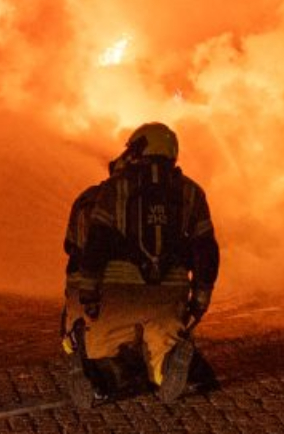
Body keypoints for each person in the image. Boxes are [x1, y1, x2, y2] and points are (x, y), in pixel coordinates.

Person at [59, 121, 219, 407]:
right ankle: (168, 366)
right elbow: (206, 250)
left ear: (139, 149)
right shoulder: (192, 192)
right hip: (168, 296)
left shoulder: (113, 189)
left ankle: (103, 373)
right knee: (163, 346)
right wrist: (200, 299)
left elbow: (95, 244)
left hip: (116, 296)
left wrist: (89, 294)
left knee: (102, 355)